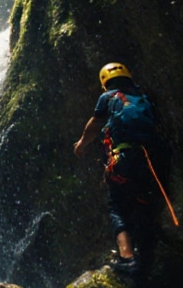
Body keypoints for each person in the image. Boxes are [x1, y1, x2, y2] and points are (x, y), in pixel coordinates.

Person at [73, 62, 171, 276]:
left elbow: (95, 123)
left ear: (104, 82)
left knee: (117, 208)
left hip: (123, 160)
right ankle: (146, 260)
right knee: (144, 206)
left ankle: (128, 259)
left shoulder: (107, 97)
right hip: (150, 162)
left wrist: (82, 143)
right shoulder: (143, 97)